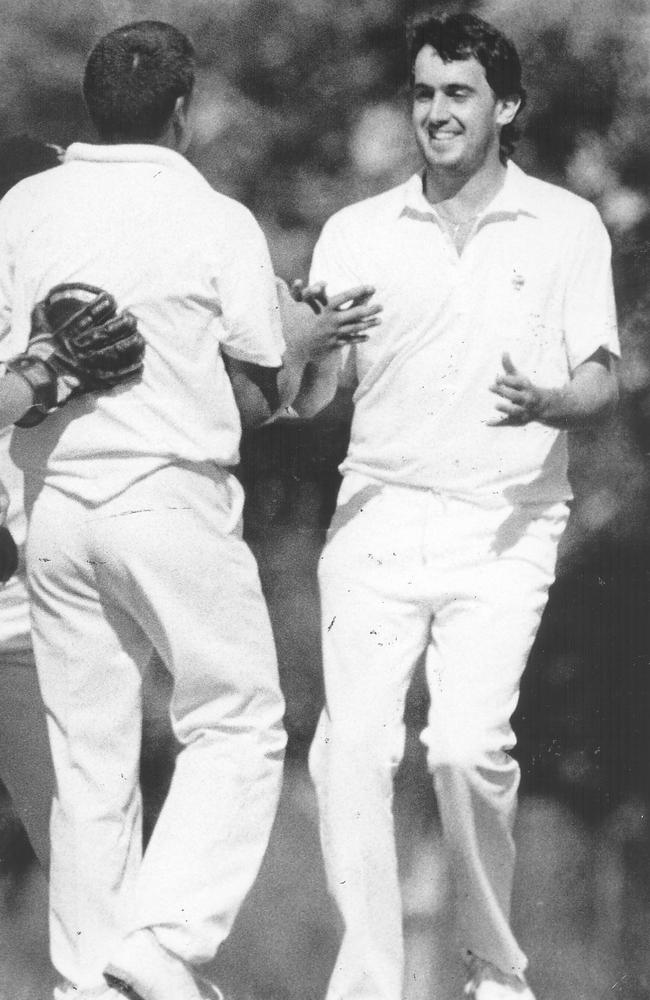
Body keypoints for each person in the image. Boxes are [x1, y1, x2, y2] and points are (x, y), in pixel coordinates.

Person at [0, 21, 379, 1000]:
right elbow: (265, 386)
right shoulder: (213, 217)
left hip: (49, 504)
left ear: (89, 106)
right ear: (183, 109)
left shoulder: (24, 207)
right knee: (239, 717)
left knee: (87, 752)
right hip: (167, 494)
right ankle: (163, 945)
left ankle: (88, 981)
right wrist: (302, 336)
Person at [303, 12, 620, 1000]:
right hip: (378, 519)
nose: (434, 111)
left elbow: (599, 381)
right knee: (349, 749)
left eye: (456, 93)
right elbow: (308, 399)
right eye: (423, 92)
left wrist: (550, 403)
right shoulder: (355, 231)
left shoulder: (565, 224)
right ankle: (365, 983)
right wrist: (307, 344)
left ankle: (493, 970)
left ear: (504, 107)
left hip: (507, 523)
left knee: (463, 746)